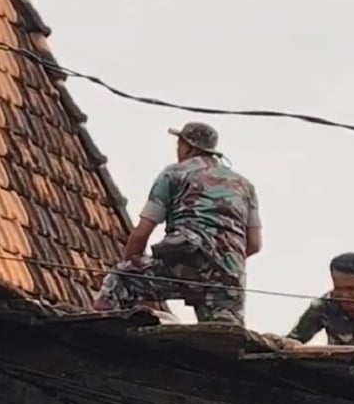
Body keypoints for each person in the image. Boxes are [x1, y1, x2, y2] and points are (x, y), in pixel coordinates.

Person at [94, 122, 263, 325]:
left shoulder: (174, 174)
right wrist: (219, 263)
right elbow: (254, 243)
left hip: (186, 260)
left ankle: (100, 334)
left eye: (179, 144)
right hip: (229, 275)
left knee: (119, 280)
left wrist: (132, 270)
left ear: (189, 147)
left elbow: (141, 234)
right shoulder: (245, 186)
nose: (177, 149)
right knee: (221, 335)